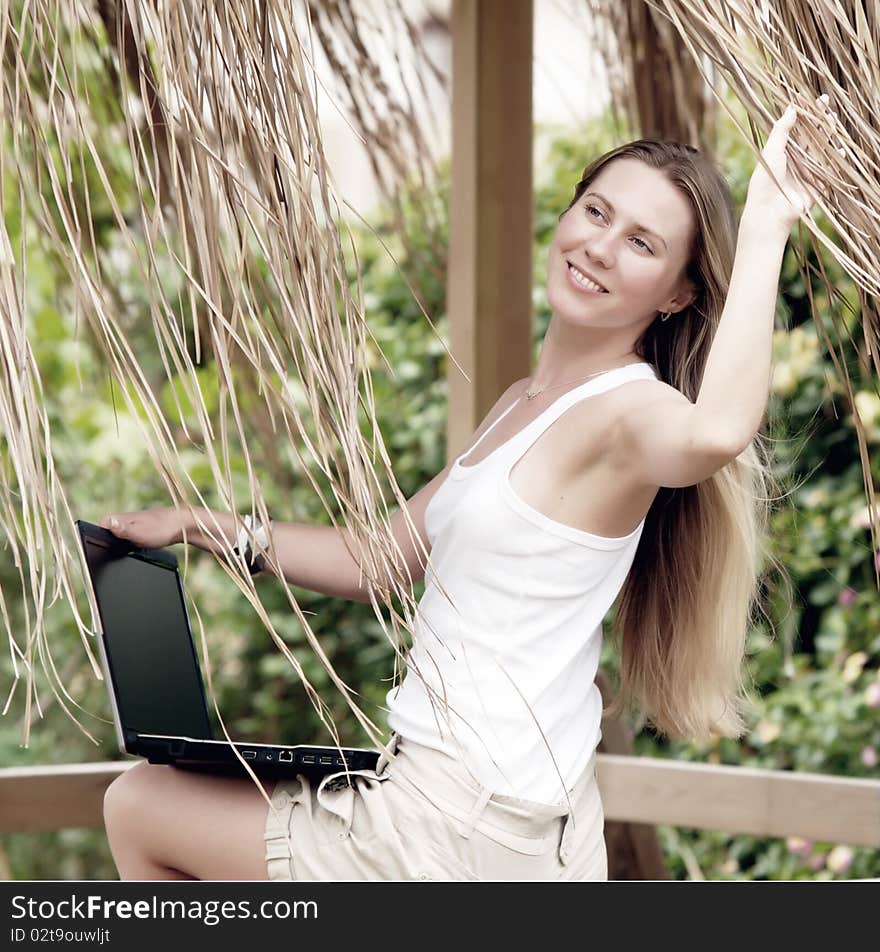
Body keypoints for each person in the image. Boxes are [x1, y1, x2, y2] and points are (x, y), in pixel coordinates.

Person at [99, 96, 830, 881]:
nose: (600, 247)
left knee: (139, 807)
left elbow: (715, 434)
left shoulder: (627, 411)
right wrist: (197, 525)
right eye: (596, 212)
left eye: (642, 243)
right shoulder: (522, 402)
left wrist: (766, 225)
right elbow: (377, 559)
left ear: (677, 294)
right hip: (507, 820)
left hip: (460, 824)